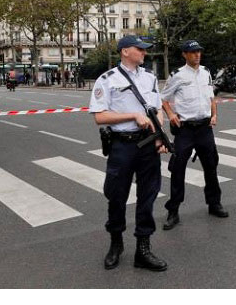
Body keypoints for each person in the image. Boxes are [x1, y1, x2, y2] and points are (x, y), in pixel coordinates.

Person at [89, 35, 168, 272]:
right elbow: (99, 116)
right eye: (139, 49)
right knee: (117, 195)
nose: (144, 52)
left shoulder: (150, 78)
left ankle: (143, 248)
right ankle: (116, 243)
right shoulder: (107, 79)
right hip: (122, 145)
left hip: (147, 144)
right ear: (125, 51)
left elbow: (157, 109)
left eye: (145, 49)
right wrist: (132, 116)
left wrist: (159, 135)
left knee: (148, 195)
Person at [161, 39, 228, 231]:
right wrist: (171, 115)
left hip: (205, 128)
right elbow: (164, 99)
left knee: (211, 166)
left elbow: (210, 96)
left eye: (199, 52)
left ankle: (214, 204)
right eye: (193, 52)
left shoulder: (206, 72)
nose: (197, 55)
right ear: (184, 54)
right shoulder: (177, 75)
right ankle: (173, 211)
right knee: (178, 169)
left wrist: (214, 114)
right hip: (186, 130)